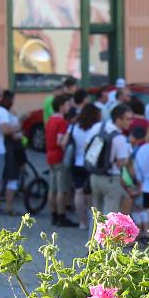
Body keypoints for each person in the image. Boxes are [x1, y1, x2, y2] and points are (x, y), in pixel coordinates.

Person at [86, 103, 133, 215]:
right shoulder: (119, 138)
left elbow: (86, 146)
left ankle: (94, 233)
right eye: (128, 119)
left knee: (97, 212)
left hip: (95, 175)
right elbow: (122, 162)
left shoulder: (98, 127)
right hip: (111, 178)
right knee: (109, 215)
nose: (131, 122)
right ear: (118, 119)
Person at [46, 94, 76, 227]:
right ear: (61, 106)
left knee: (52, 187)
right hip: (60, 156)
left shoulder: (50, 120)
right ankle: (61, 215)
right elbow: (60, 142)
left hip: (50, 155)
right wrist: (68, 135)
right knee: (61, 189)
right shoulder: (62, 123)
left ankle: (53, 215)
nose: (69, 107)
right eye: (67, 104)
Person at [70, 104, 101, 229]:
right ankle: (93, 221)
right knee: (91, 193)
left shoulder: (74, 126)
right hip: (91, 163)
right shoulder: (96, 128)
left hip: (77, 162)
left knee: (78, 191)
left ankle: (82, 222)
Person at [0, 91, 26, 216]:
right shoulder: (9, 115)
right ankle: (9, 206)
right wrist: (19, 128)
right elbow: (14, 134)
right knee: (12, 178)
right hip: (11, 149)